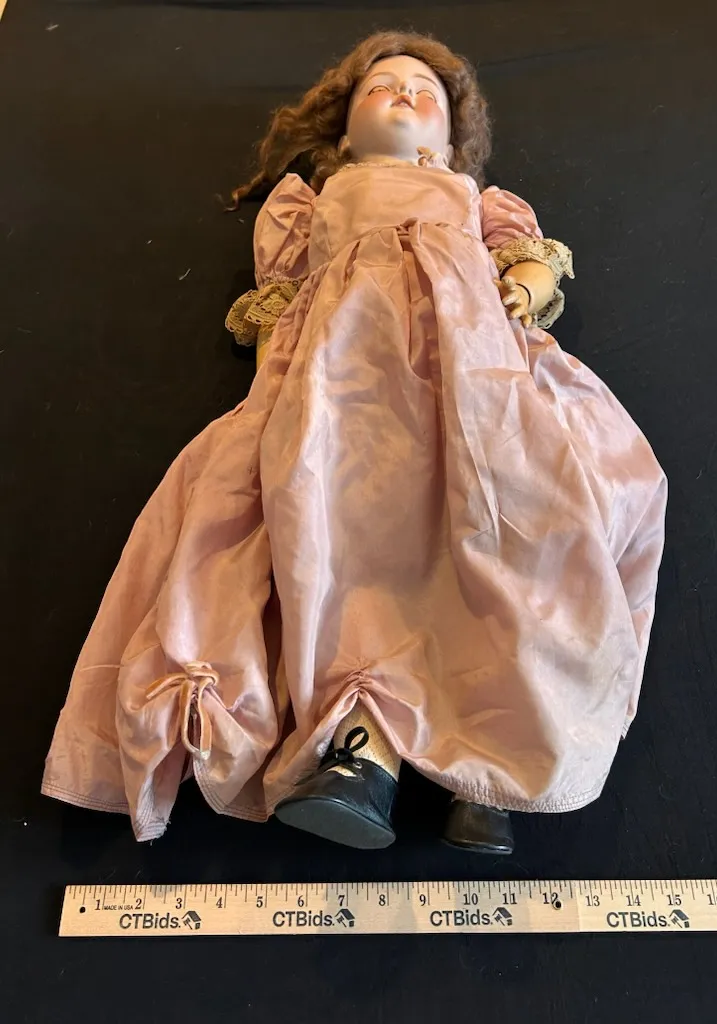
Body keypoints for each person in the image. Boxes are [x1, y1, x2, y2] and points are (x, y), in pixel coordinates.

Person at [43, 32, 666, 853]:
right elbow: (280, 303)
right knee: (345, 549)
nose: (404, 93)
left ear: (451, 138)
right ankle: (360, 755)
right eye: (383, 86)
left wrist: (520, 286)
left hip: (476, 380)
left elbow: (529, 262)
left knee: (510, 540)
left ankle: (491, 777)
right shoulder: (312, 203)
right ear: (343, 130)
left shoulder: (474, 198)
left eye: (425, 91)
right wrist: (274, 395)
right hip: (346, 389)